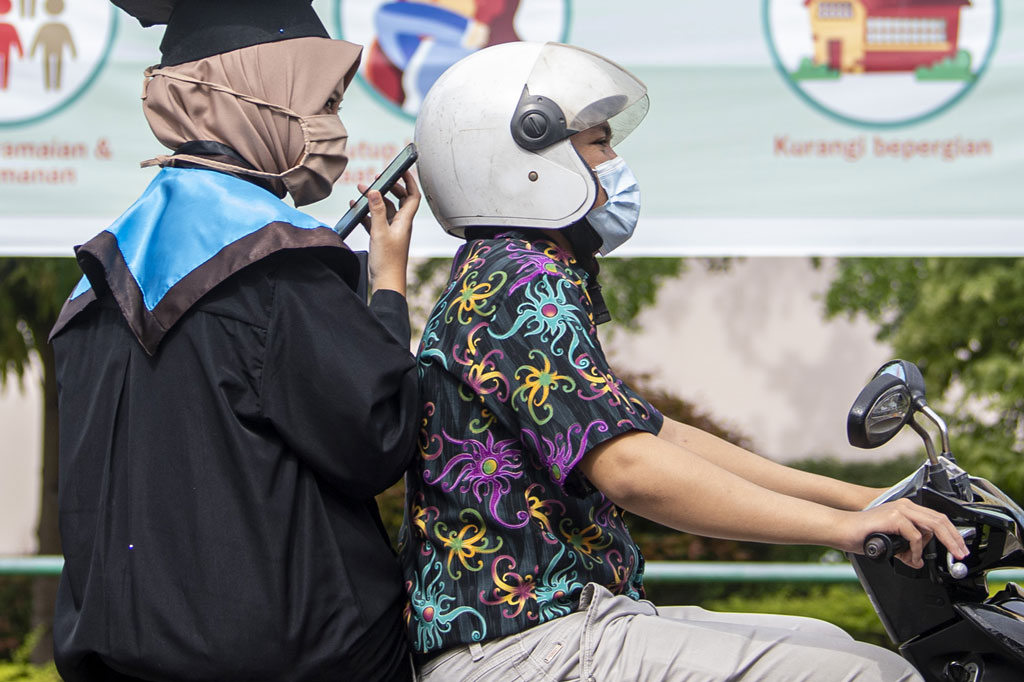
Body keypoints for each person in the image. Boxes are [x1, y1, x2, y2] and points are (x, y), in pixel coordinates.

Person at [399, 41, 968, 681]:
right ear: (521, 160)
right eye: (598, 144)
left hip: (552, 630)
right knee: (874, 677)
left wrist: (866, 501)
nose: (615, 165)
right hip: (529, 644)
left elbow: (660, 436)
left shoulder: (500, 277)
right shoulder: (523, 282)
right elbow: (634, 469)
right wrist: (841, 529)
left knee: (832, 642)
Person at [48, 1, 421, 680]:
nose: (333, 131)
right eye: (323, 103)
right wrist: (388, 291)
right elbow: (380, 437)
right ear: (258, 93)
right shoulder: (277, 272)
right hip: (302, 663)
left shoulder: (93, 289)